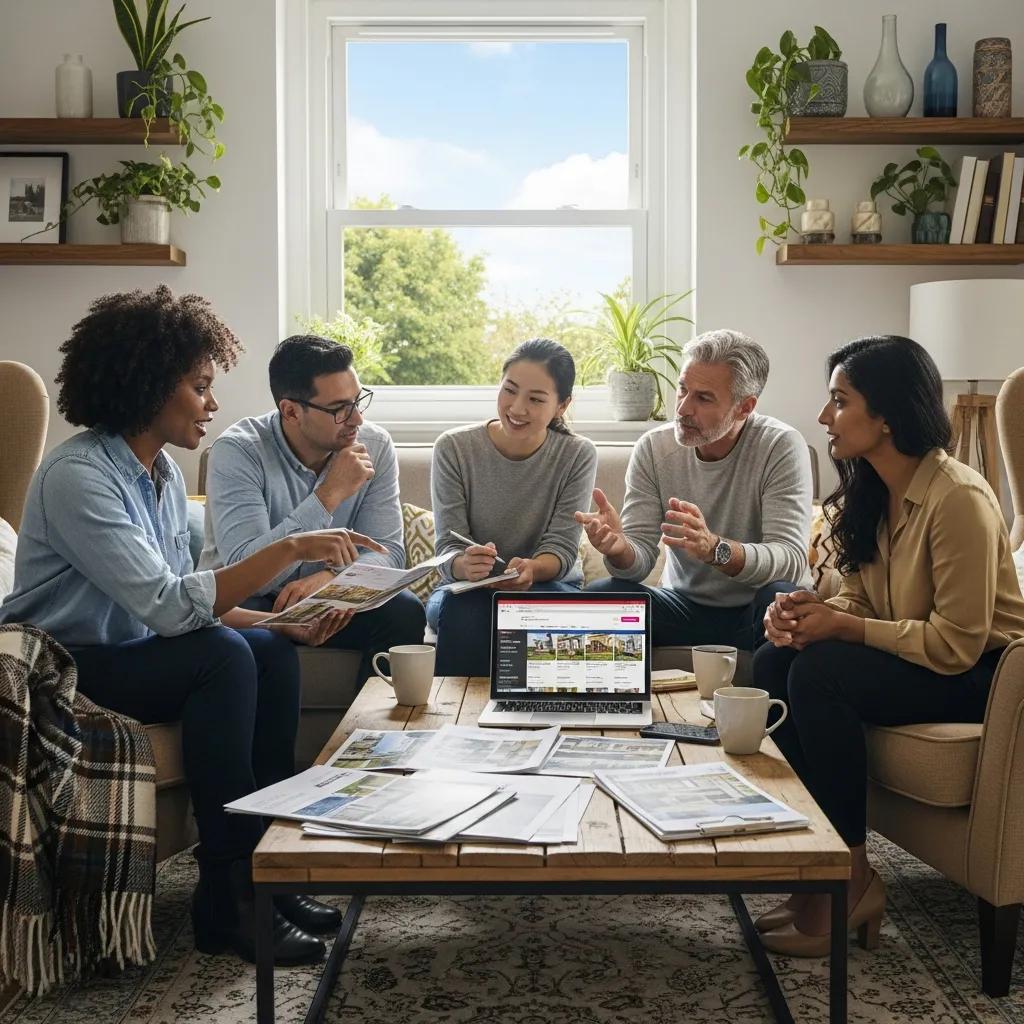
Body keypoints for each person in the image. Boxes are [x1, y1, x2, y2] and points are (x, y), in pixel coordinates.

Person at [0, 286, 384, 967]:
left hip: (129, 648)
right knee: (222, 658)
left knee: (263, 648)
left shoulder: (162, 475)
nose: (212, 403)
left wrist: (278, 620)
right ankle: (225, 900)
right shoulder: (78, 476)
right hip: (62, 662)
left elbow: (189, 598)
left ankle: (265, 874)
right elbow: (173, 608)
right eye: (200, 386)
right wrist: (292, 547)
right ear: (150, 384)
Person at [753, 335, 1024, 957]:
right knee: (773, 661)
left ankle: (849, 878)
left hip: (989, 679)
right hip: (924, 659)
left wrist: (842, 629)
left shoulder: (958, 499)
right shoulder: (873, 491)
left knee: (820, 673)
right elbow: (861, 603)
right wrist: (808, 614)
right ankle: (820, 868)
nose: (824, 417)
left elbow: (957, 643)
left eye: (839, 402)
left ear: (887, 416)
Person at [199, 334, 426, 683]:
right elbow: (248, 576)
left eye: (358, 401)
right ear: (291, 410)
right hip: (250, 604)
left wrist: (332, 578)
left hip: (331, 597)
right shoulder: (238, 451)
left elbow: (390, 552)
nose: (357, 420)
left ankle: (368, 736)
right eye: (339, 409)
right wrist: (328, 495)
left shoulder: (375, 446)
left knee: (404, 611)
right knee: (261, 641)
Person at [579, 329, 812, 651]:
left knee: (784, 598)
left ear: (745, 407)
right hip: (683, 607)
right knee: (601, 596)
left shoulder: (780, 445)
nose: (683, 409)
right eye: (683, 390)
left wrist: (716, 549)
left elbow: (790, 559)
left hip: (758, 610)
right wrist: (618, 549)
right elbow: (640, 563)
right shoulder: (654, 448)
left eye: (703, 398)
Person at [428, 339, 598, 675]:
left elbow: (561, 549)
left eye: (536, 399)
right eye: (510, 390)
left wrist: (532, 570)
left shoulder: (577, 455)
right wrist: (466, 565)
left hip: (546, 585)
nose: (517, 408)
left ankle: (547, 722)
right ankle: (458, 721)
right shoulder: (453, 448)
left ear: (562, 406)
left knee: (549, 615)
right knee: (466, 612)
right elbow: (447, 546)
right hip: (465, 592)